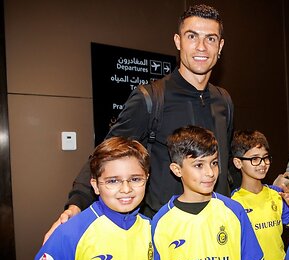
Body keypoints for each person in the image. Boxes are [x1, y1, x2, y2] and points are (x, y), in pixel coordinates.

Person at [44, 4, 233, 242]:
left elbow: (226, 166)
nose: (201, 47)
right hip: (166, 235)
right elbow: (105, 154)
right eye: (192, 36)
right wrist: (76, 205)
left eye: (211, 38)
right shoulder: (151, 98)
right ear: (178, 41)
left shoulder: (223, 101)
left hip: (217, 230)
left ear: (220, 46)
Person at [151, 126, 264, 260]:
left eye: (214, 163)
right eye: (199, 165)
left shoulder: (233, 211)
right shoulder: (161, 222)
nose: (210, 172)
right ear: (177, 170)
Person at [33, 137, 153, 260]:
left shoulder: (151, 229)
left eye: (135, 179)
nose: (126, 189)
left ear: (146, 179)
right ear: (95, 186)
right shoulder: (70, 234)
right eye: (113, 181)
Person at [230, 130, 289, 260]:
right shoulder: (233, 203)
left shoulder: (277, 194)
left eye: (266, 158)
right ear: (238, 163)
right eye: (255, 159)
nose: (263, 164)